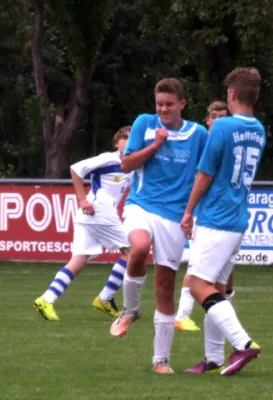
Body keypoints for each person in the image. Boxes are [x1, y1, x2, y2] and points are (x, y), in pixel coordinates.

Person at [109, 78, 208, 375]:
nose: (163, 109)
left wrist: (193, 215)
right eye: (159, 104)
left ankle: (160, 360)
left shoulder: (198, 134)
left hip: (174, 217)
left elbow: (204, 175)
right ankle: (131, 309)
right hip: (142, 205)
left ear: (182, 104)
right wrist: (155, 144)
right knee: (137, 247)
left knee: (165, 287)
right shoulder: (144, 123)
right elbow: (126, 165)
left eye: (169, 104)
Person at [181, 67, 264, 376]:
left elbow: (206, 172)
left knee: (194, 284)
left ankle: (243, 343)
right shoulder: (259, 129)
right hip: (238, 218)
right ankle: (214, 358)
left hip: (216, 218)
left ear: (231, 95)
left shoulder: (222, 127)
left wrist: (189, 210)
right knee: (214, 286)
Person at [34, 126, 132, 320]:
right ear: (116, 143)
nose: (129, 142)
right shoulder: (109, 159)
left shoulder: (133, 165)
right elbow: (76, 169)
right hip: (98, 211)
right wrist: (82, 199)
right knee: (133, 252)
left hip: (89, 216)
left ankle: (47, 299)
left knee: (77, 262)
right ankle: (105, 297)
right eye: (125, 138)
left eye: (132, 139)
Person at [175, 101, 230, 331]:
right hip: (202, 213)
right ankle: (181, 315)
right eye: (213, 116)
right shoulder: (204, 143)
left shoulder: (225, 143)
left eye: (222, 117)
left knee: (223, 271)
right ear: (207, 119)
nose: (217, 121)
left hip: (218, 215)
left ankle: (220, 310)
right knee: (196, 265)